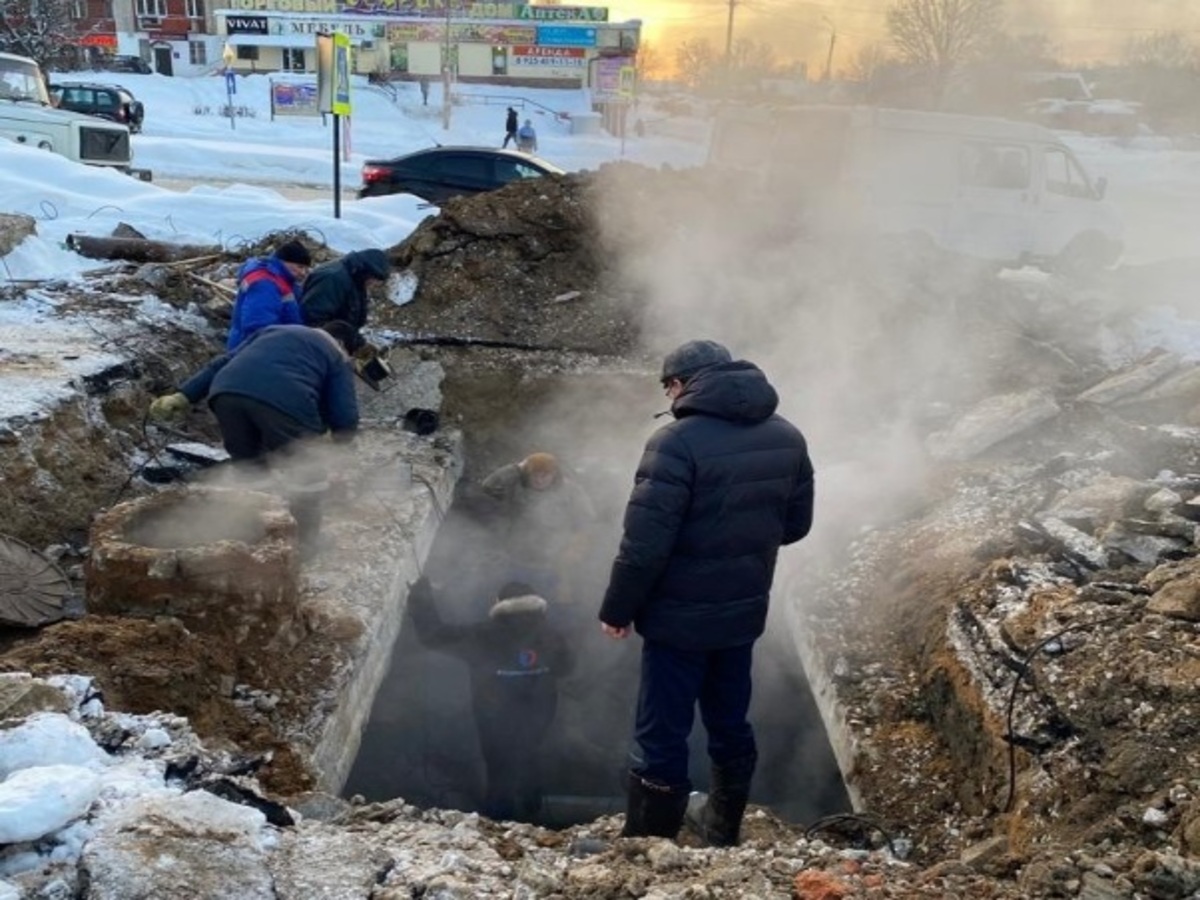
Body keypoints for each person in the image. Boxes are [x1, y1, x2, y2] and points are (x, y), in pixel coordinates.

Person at [598, 339, 815, 846]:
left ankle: (647, 846)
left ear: (681, 384)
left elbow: (645, 546)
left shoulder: (675, 442)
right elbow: (796, 526)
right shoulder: (788, 436)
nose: (669, 396)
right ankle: (721, 830)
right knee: (730, 721)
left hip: (678, 621)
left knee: (661, 732)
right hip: (742, 612)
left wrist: (617, 608)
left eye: (667, 386)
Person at [148, 321, 362, 556]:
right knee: (307, 473)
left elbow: (220, 363)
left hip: (226, 393)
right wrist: (338, 447)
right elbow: (345, 415)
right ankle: (306, 543)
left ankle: (249, 530)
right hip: (286, 400)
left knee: (250, 468)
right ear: (344, 345)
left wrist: (184, 395)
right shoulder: (336, 354)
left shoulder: (274, 330)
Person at [408, 576, 573, 823]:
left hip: (495, 715)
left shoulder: (483, 634)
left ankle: (499, 822)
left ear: (498, 603)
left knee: (499, 767)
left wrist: (421, 596)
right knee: (530, 756)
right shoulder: (552, 635)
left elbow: (433, 636)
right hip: (540, 713)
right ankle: (534, 817)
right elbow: (567, 668)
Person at [479, 452, 595, 605]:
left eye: (545, 476)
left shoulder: (570, 491)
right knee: (512, 605)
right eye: (535, 475)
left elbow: (586, 520)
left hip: (553, 563)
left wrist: (575, 550)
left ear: (554, 474)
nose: (539, 480)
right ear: (527, 474)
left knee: (552, 605)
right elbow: (488, 486)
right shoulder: (516, 485)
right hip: (516, 558)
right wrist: (516, 468)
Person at [226, 240, 311, 351]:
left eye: (305, 268)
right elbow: (258, 326)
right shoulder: (265, 284)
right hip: (253, 351)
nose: (303, 273)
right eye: (300, 267)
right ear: (284, 261)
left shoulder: (282, 279)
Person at [300, 249, 391, 339]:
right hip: (318, 341)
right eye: (373, 279)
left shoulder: (355, 279)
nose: (373, 284)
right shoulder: (333, 278)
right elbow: (313, 317)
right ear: (366, 271)